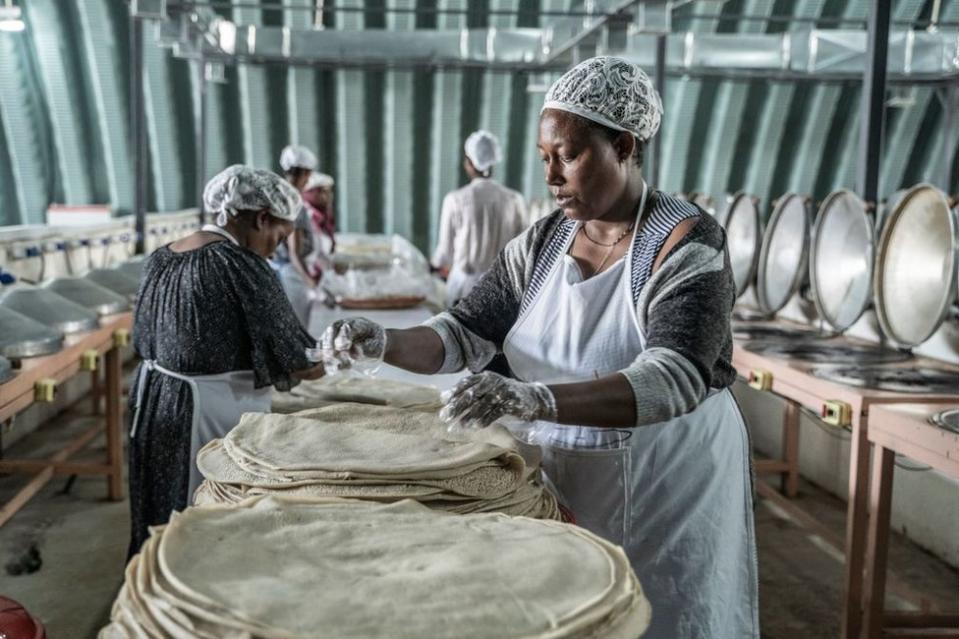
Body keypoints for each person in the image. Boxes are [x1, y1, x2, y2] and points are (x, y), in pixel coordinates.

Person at [321, 57, 758, 638]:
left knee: (659, 616)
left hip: (666, 486)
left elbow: (674, 376)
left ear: (624, 145)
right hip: (564, 479)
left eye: (569, 155)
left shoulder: (683, 239)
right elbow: (462, 333)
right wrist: (384, 342)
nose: (551, 177)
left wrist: (534, 400)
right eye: (544, 158)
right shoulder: (544, 242)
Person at [128, 165, 324, 556]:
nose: (277, 248)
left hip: (153, 403)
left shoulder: (160, 258)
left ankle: (151, 584)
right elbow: (299, 362)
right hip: (207, 413)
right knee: (205, 514)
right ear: (262, 217)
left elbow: (142, 340)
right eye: (279, 235)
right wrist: (337, 352)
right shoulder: (241, 266)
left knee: (160, 509)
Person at [432, 130, 527, 306]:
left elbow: (444, 253)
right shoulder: (514, 199)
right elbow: (523, 250)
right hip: (501, 289)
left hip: (463, 290)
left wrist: (432, 266)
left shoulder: (455, 199)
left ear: (469, 163)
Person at [275, 144, 320, 325]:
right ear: (302, 174)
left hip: (283, 269)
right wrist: (310, 282)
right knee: (298, 325)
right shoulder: (293, 201)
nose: (308, 179)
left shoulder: (280, 195)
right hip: (292, 273)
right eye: (308, 174)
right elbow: (294, 252)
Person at [300, 171, 337, 282]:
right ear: (308, 193)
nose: (328, 196)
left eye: (329, 192)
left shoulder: (324, 219)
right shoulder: (304, 217)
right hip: (305, 280)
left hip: (321, 277)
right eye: (322, 191)